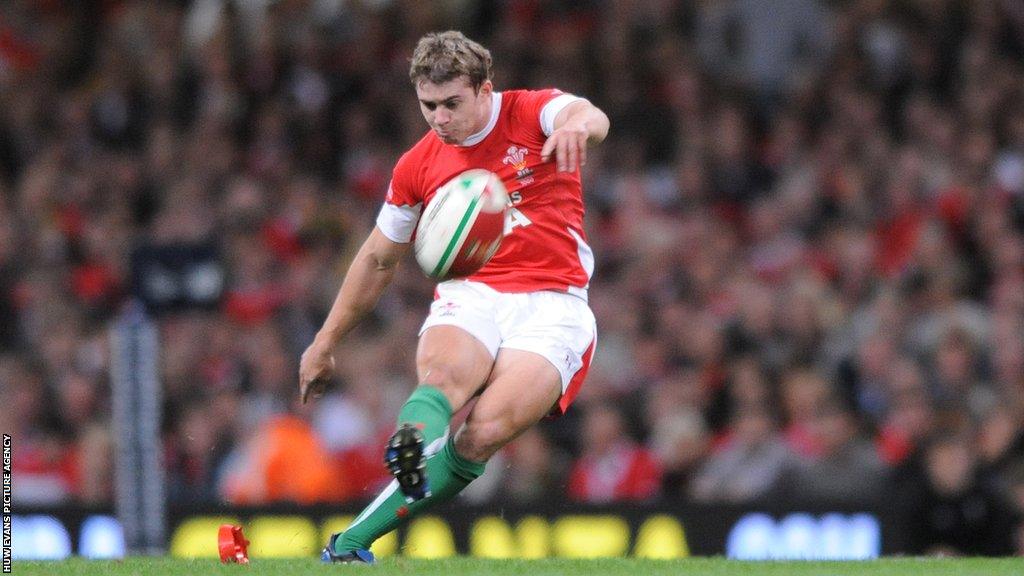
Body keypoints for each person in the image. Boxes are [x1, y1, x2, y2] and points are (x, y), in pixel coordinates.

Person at [298, 30, 609, 564]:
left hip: (554, 303)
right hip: (473, 292)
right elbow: (377, 258)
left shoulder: (531, 111)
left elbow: (590, 115)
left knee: (483, 430)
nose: (439, 118)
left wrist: (578, 127)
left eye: (451, 104)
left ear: (485, 89)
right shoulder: (417, 166)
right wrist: (324, 341)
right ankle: (406, 450)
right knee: (442, 380)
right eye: (428, 106)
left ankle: (355, 533)